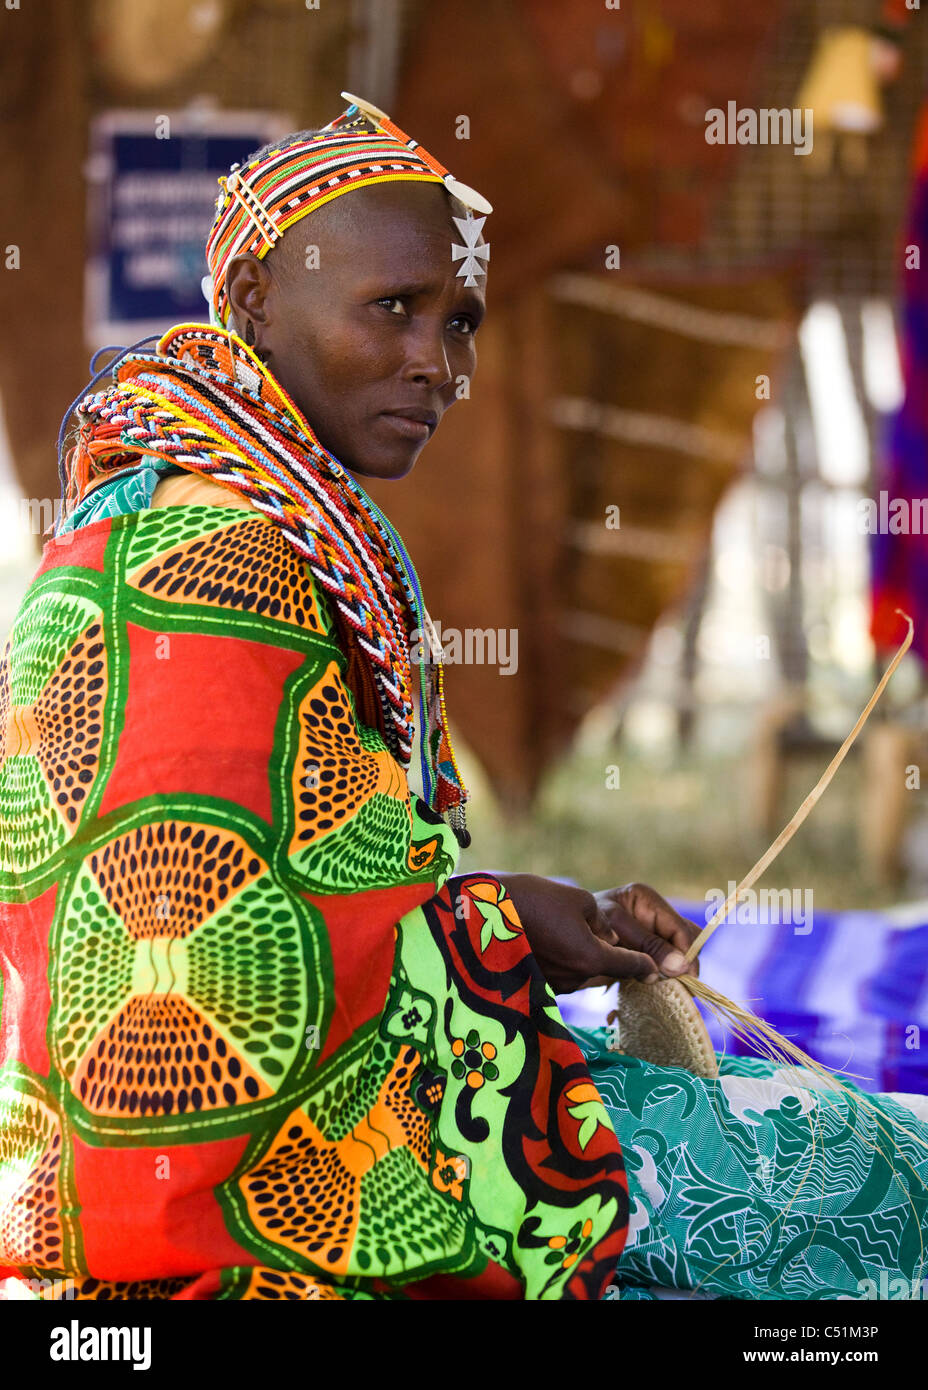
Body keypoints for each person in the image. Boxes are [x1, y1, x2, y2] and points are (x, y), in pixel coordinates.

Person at [0, 95, 926, 1303]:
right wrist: (492, 934)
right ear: (257, 304)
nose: (438, 363)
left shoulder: (207, 513)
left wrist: (525, 917)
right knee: (862, 1175)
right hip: (270, 1184)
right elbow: (213, 980)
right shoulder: (209, 566)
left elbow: (311, 886)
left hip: (197, 1151)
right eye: (394, 308)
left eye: (460, 321)